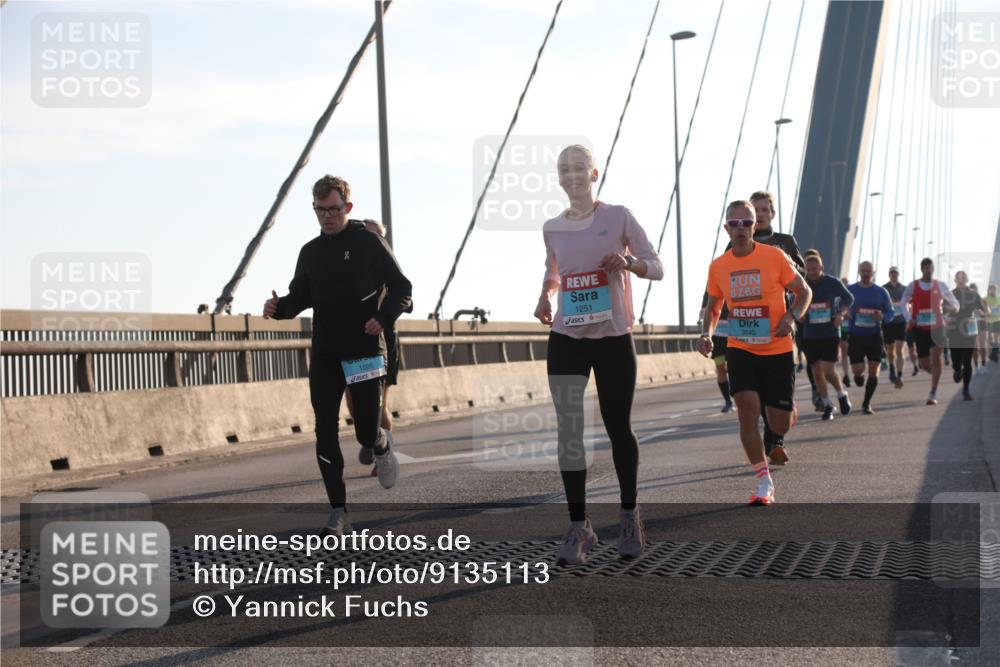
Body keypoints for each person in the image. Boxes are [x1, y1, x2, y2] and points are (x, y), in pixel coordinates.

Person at [534, 144, 664, 565]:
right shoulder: (552, 227)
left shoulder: (618, 216)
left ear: (594, 174)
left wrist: (627, 263)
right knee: (569, 431)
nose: (571, 175)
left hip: (612, 338)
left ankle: (629, 514)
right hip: (567, 337)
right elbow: (555, 271)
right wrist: (545, 295)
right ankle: (578, 527)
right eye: (564, 170)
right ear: (559, 178)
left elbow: (656, 265)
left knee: (616, 427)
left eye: (579, 169)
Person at [264, 175, 412, 535]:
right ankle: (338, 510)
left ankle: (380, 442)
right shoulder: (310, 252)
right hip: (327, 352)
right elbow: (300, 297)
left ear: (347, 207)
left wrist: (383, 316)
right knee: (324, 429)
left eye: (333, 209)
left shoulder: (369, 243)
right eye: (320, 210)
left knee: (364, 429)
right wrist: (279, 307)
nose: (326, 216)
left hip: (363, 349)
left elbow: (402, 288)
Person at [699, 200, 811, 505]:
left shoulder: (774, 257)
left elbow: (804, 291)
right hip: (741, 348)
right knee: (746, 413)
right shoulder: (719, 266)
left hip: (776, 349)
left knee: (779, 425)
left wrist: (791, 317)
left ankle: (789, 410)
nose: (741, 229)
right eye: (734, 224)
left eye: (746, 223)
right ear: (726, 228)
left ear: (755, 226)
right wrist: (706, 334)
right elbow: (713, 307)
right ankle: (763, 479)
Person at [719, 191, 805, 463]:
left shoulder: (784, 243)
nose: (761, 213)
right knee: (750, 401)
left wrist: (791, 315)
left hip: (781, 320)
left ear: (769, 215)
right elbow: (723, 281)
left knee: (776, 406)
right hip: (745, 330)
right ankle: (770, 445)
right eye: (756, 209)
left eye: (765, 209)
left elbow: (802, 277)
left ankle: (776, 433)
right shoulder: (734, 245)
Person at [344, 219, 410, 476]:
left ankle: (385, 452)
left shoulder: (387, 267)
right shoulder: (349, 266)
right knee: (353, 398)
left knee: (378, 403)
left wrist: (385, 313)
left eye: (373, 237)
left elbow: (405, 295)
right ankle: (370, 437)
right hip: (353, 340)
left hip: (384, 343)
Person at [801, 250, 854, 420]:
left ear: (821, 268)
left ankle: (841, 394)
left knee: (828, 370)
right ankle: (828, 405)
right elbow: (792, 301)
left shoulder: (833, 283)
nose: (811, 273)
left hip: (830, 332)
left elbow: (849, 299)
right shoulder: (802, 284)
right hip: (810, 334)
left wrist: (840, 314)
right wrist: (798, 313)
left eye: (814, 269)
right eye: (808, 270)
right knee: (817, 372)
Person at [901, 257, 959, 405]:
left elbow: (955, 304)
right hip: (920, 328)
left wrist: (948, 311)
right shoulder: (913, 286)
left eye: (931, 267)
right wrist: (909, 318)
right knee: (925, 364)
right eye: (926, 267)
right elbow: (903, 303)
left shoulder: (940, 285)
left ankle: (933, 391)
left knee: (936, 358)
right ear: (922, 269)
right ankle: (935, 375)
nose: (929, 270)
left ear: (933, 269)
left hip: (938, 327)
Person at [846, 262, 895, 414]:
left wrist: (883, 316)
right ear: (859, 272)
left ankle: (866, 404)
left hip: (874, 335)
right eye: (863, 271)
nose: (866, 273)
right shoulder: (850, 290)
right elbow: (839, 305)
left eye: (868, 271)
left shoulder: (881, 292)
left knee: (874, 369)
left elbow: (891, 312)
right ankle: (858, 376)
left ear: (873, 273)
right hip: (856, 335)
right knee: (859, 370)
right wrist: (844, 313)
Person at [948, 272, 986, 399]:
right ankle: (957, 370)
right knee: (956, 360)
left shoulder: (973, 294)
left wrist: (980, 311)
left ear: (967, 279)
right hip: (954, 330)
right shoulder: (951, 294)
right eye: (958, 278)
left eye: (963, 277)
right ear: (955, 280)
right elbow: (943, 309)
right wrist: (948, 311)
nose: (961, 280)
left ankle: (966, 390)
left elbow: (983, 311)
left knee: (967, 361)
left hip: (969, 328)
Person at [700, 296, 733, 413]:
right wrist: (704, 333)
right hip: (717, 337)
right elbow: (705, 309)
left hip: (734, 335)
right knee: (720, 370)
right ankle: (728, 401)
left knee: (733, 369)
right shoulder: (712, 283)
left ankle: (737, 393)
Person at [881, 266, 908, 388]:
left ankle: (899, 375)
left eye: (895, 273)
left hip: (901, 321)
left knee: (899, 349)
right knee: (890, 350)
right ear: (889, 275)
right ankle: (891, 369)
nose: (894, 275)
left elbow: (909, 303)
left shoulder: (904, 289)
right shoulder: (883, 288)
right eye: (892, 273)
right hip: (888, 322)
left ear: (898, 275)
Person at [838, 277, 852, 387]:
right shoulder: (836, 298)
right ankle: (846, 375)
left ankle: (849, 373)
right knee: (844, 350)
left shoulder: (851, 298)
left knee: (847, 351)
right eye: (843, 285)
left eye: (846, 285)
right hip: (841, 328)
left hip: (852, 328)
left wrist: (850, 316)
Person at [986, 284, 1000, 363]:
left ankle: (995, 353)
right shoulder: (986, 299)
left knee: (996, 337)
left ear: (996, 290)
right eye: (991, 289)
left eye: (994, 289)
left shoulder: (999, 298)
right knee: (990, 337)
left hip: (997, 320)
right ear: (989, 290)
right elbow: (986, 310)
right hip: (989, 321)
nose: (993, 290)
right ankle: (993, 352)